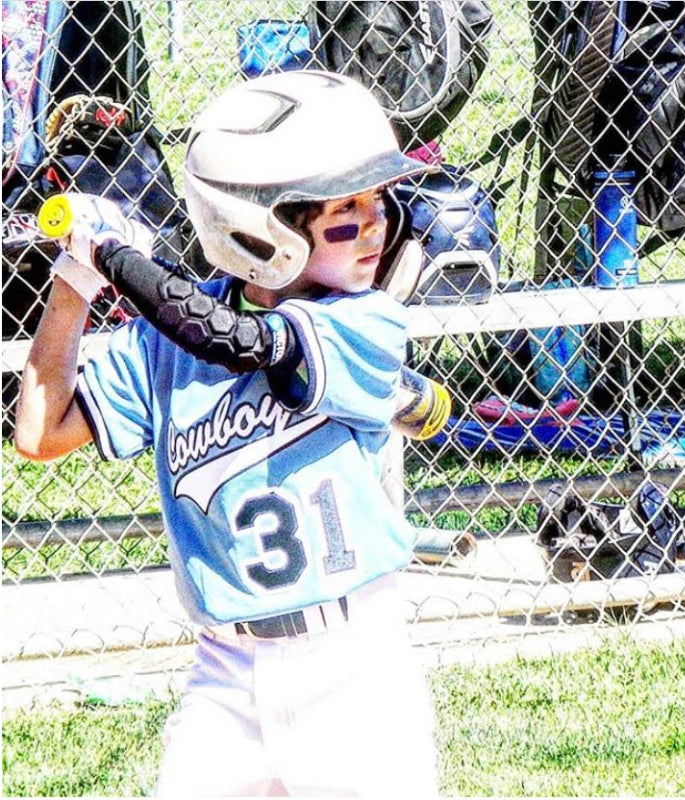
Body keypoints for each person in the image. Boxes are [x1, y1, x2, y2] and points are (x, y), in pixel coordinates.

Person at [15, 71, 440, 797]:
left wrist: (122, 261)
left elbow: (233, 339)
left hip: (353, 668)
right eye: (346, 209)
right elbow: (38, 431)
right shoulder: (163, 344)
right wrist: (74, 280)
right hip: (224, 669)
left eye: (378, 204)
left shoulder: (362, 321)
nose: (375, 225)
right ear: (261, 227)